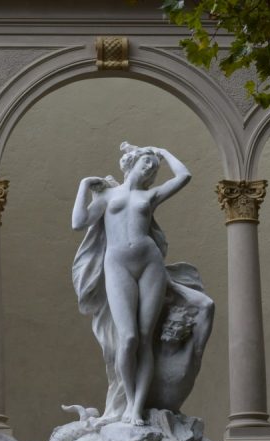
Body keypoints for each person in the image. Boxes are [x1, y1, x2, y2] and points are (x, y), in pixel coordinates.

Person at [71, 142, 192, 425]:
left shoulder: (150, 195)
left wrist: (162, 151)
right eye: (146, 162)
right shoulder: (107, 195)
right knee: (128, 338)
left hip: (150, 264)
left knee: (145, 337)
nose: (151, 168)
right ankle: (126, 400)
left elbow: (184, 176)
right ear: (131, 163)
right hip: (117, 265)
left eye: (154, 166)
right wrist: (83, 185)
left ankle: (135, 408)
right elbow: (78, 222)